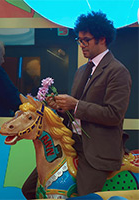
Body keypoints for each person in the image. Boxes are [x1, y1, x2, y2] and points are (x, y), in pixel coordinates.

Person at [22, 11, 132, 198]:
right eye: (79, 40)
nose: (81, 45)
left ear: (102, 39)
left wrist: (75, 104)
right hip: (71, 143)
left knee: (83, 196)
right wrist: (59, 107)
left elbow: (114, 115)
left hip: (98, 150)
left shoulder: (118, 72)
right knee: (30, 189)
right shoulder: (82, 70)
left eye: (86, 40)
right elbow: (74, 112)